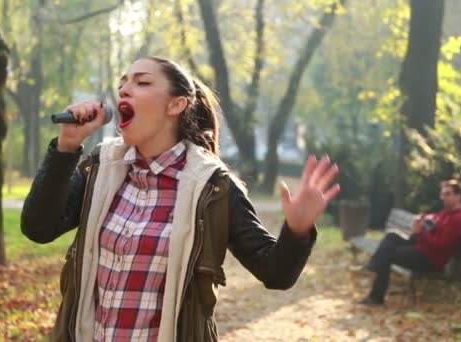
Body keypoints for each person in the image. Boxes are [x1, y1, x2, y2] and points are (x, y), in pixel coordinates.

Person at [21, 56, 340, 341]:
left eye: (142, 82)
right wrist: (66, 148)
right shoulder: (101, 168)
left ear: (176, 105)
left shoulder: (213, 188)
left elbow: (276, 273)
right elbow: (39, 228)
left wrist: (297, 229)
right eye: (122, 84)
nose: (125, 90)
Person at [358, 179, 461, 305]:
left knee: (387, 254)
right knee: (392, 235)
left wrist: (420, 232)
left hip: (431, 259)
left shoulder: (458, 219)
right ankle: (374, 266)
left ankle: (376, 296)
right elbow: (435, 217)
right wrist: (423, 219)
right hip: (423, 249)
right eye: (442, 194)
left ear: (459, 196)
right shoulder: (448, 212)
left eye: (447, 194)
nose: (443, 197)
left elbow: (441, 245)